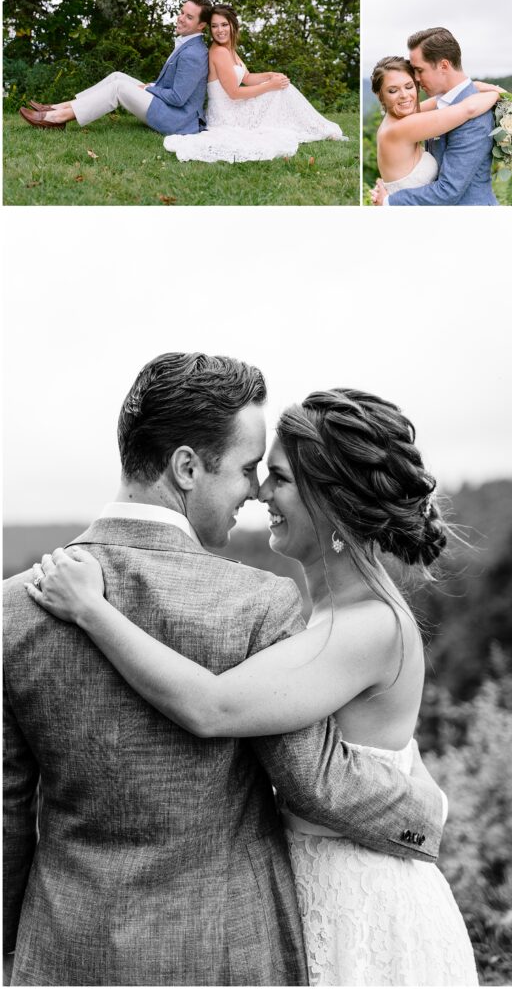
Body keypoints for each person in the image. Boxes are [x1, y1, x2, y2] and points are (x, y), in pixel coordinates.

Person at [4, 353, 444, 988]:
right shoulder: (259, 603)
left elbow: (7, 813)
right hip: (227, 952)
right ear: (187, 467)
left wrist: (10, 951)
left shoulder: (15, 606)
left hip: (66, 951)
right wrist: (424, 810)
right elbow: (311, 778)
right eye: (246, 470)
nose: (255, 490)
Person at [164, 5, 348, 162]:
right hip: (226, 114)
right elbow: (234, 93)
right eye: (214, 26)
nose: (219, 30)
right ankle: (321, 128)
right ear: (210, 29)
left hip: (234, 107)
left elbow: (246, 77)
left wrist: (270, 75)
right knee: (278, 91)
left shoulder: (229, 49)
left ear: (232, 26)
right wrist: (270, 85)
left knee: (282, 88)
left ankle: (319, 128)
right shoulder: (218, 52)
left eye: (224, 25)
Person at [18, 0, 212, 136]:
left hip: (177, 120)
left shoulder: (194, 54)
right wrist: (152, 86)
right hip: (170, 110)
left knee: (118, 88)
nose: (180, 18)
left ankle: (57, 119)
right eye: (181, 12)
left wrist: (151, 88)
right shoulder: (188, 44)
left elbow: (178, 98)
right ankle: (55, 107)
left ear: (201, 25)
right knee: (117, 76)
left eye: (189, 17)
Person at [371, 28, 501, 206]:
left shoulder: (475, 118)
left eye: (419, 70)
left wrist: (390, 200)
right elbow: (468, 108)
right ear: (381, 95)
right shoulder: (405, 124)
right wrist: (497, 93)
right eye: (393, 90)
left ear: (444, 66)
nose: (416, 79)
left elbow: (449, 190)